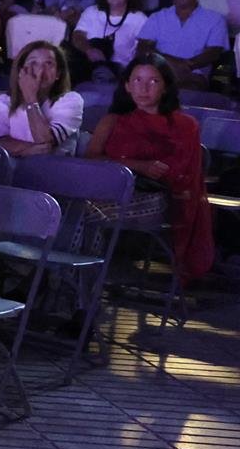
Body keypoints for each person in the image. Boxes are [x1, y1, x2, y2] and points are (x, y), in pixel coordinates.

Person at [86, 58, 214, 287]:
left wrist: (131, 166)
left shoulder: (185, 125)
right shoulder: (113, 120)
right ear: (127, 85)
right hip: (109, 190)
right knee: (76, 210)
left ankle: (78, 298)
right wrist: (136, 165)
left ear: (165, 86)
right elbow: (92, 160)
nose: (144, 88)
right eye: (137, 80)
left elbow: (171, 173)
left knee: (84, 213)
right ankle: (77, 295)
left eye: (153, 81)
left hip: (159, 197)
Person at [0, 41, 81, 157]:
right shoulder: (3, 101)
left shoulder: (71, 100)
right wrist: (27, 151)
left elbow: (44, 140)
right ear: (20, 71)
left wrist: (30, 97)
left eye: (49, 64)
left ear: (58, 73)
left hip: (56, 171)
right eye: (33, 63)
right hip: (11, 170)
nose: (41, 70)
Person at [137, 0, 227, 89]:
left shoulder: (215, 19)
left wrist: (187, 66)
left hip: (193, 73)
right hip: (158, 70)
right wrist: (168, 63)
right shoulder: (158, 17)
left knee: (187, 88)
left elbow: (213, 53)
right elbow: (143, 47)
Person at [73, 0, 147, 81]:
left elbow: (143, 49)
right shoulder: (92, 12)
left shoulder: (139, 19)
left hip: (121, 72)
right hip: (88, 66)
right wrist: (89, 50)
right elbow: (77, 36)